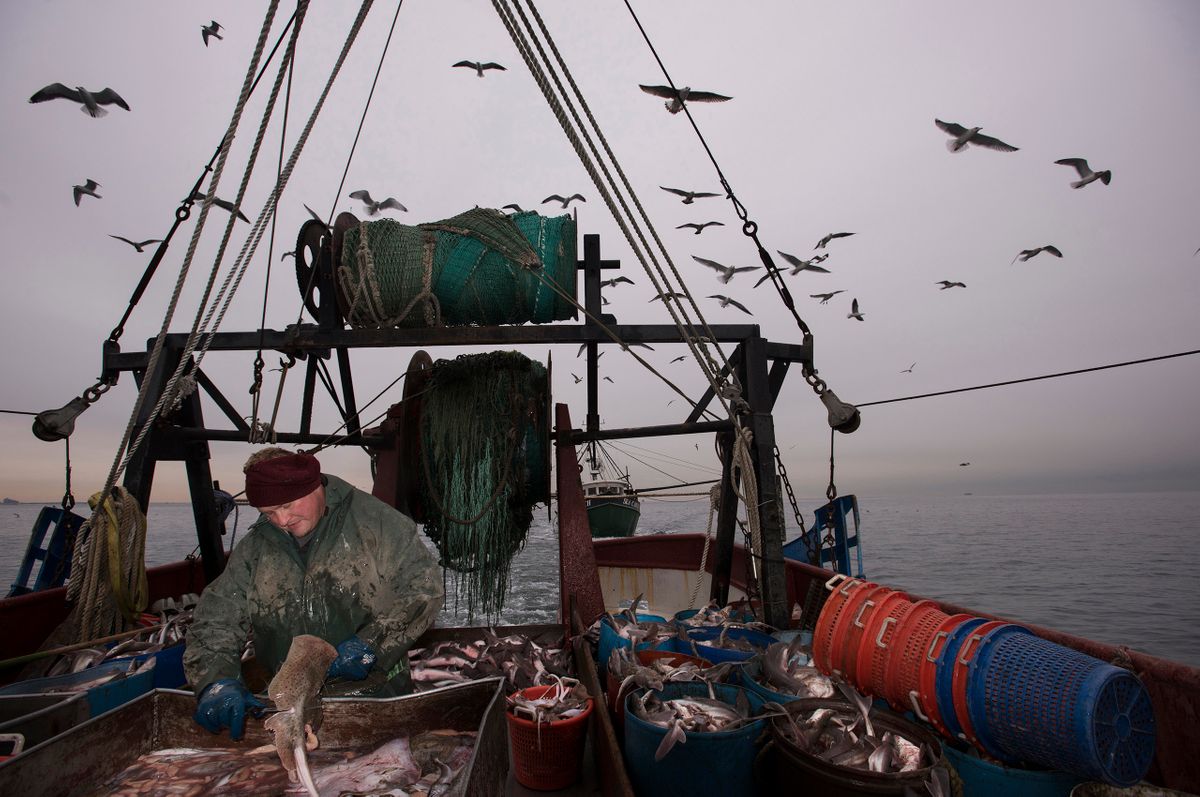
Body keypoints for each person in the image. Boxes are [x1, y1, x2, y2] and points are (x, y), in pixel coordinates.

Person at [183, 447, 443, 740]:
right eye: (268, 512)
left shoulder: (380, 523)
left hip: (377, 694)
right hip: (288, 705)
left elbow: (423, 588)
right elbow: (218, 618)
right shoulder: (255, 548)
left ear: (314, 484)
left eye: (290, 504)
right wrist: (215, 680)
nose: (282, 520)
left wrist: (373, 643)